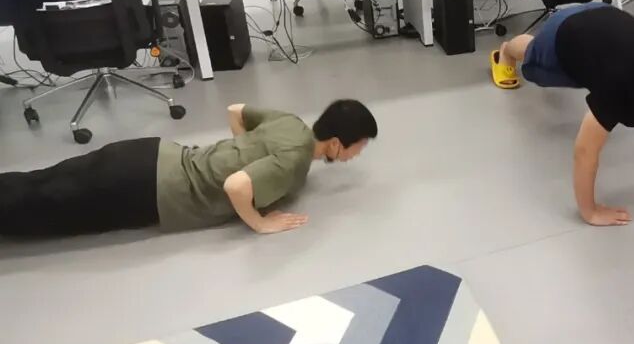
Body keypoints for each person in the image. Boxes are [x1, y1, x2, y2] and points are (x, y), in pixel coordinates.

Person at [490, 2, 634, 227]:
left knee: (602, 67)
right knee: (533, 60)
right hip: (568, 31)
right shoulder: (624, 86)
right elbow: (584, 150)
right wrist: (590, 212)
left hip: (610, 19)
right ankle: (506, 52)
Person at [0, 99, 377, 239]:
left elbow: (236, 110)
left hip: (146, 154)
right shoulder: (294, 162)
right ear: (336, 143)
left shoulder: (291, 122)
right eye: (359, 146)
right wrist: (261, 223)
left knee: (35, 185)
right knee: (34, 211)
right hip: (146, 191)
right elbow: (237, 186)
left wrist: (241, 150)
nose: (357, 154)